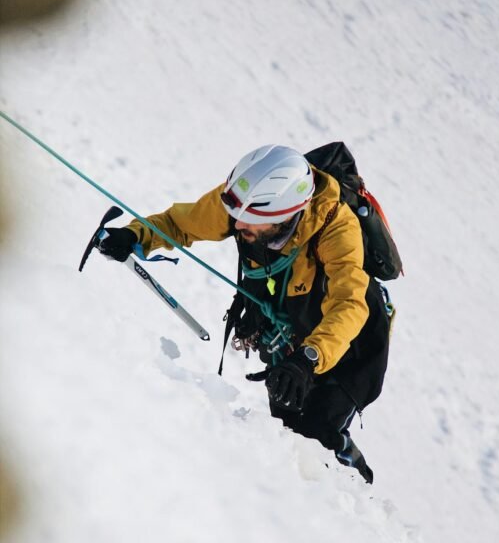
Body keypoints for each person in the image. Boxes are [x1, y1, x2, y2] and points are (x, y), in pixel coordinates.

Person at [99, 145, 391, 483]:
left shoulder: (337, 230)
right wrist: (134, 235)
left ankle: (358, 498)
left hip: (353, 343)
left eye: (252, 223)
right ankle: (307, 498)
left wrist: (308, 358)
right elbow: (178, 224)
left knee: (317, 433)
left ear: (286, 216)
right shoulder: (242, 202)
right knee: (286, 432)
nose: (238, 227)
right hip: (291, 331)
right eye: (237, 218)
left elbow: (348, 305)